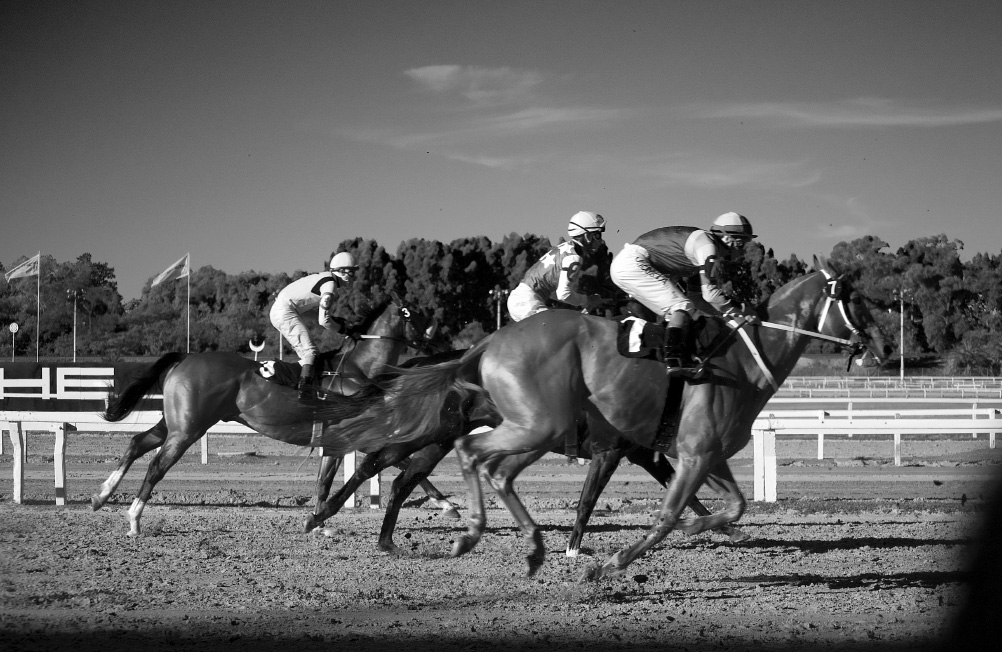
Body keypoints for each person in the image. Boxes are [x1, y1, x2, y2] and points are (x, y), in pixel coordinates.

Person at [609, 211, 758, 370]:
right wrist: (741, 309)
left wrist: (726, 316)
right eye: (741, 243)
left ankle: (668, 356)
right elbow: (711, 295)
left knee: (685, 313)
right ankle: (674, 359)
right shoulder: (708, 248)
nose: (743, 251)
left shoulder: (704, 251)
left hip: (630, 264)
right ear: (727, 239)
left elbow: (698, 298)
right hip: (632, 263)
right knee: (681, 307)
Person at [269, 251, 359, 400]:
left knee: (311, 355)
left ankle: (304, 386)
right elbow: (323, 321)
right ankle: (304, 393)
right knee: (310, 352)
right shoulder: (330, 286)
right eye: (352, 272)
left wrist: (336, 320)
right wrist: (344, 330)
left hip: (286, 309)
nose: (354, 276)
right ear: (342, 271)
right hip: (284, 310)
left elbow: (316, 315)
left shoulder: (328, 280)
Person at [506, 211, 609, 322]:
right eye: (597, 235)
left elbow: (555, 291)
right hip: (526, 301)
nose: (601, 241)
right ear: (586, 236)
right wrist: (588, 300)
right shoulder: (574, 257)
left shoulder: (566, 247)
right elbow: (563, 294)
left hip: (522, 299)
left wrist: (582, 303)